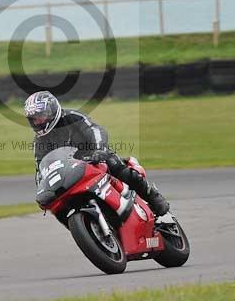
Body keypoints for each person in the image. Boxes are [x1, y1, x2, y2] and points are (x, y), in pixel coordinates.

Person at [25, 90, 171, 217]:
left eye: (41, 116)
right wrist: (44, 188)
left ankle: (152, 196)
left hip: (93, 155)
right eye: (34, 119)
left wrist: (99, 149)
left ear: (52, 110)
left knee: (116, 166)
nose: (38, 121)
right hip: (71, 171)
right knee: (61, 206)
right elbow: (41, 169)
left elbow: (94, 130)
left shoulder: (73, 117)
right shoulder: (40, 142)